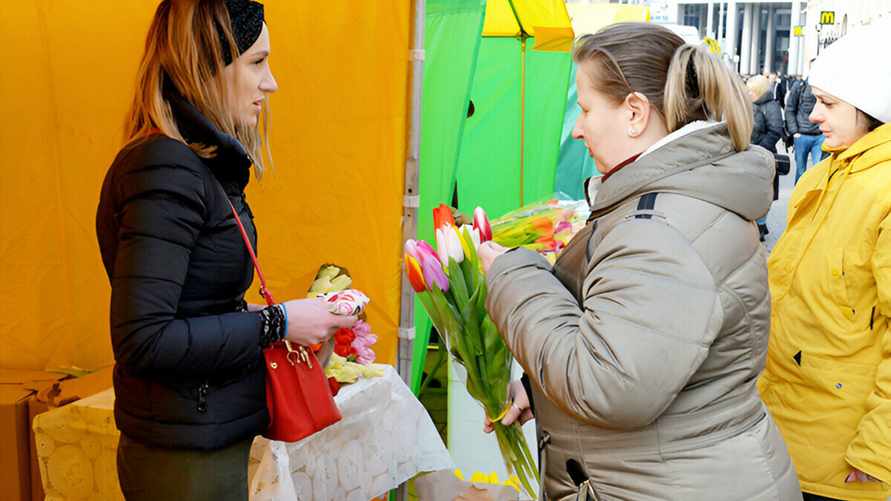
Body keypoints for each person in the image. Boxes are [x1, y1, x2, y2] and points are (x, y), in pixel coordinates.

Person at [477, 22, 801, 501]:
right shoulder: (672, 201)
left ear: (634, 113)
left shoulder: (660, 228)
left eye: (586, 109)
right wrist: (544, 391)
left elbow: (609, 385)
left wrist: (512, 274)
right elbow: (643, 346)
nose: (577, 127)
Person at [95, 2, 356, 500]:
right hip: (184, 455)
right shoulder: (165, 169)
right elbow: (144, 339)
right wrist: (276, 323)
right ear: (206, 65)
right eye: (257, 63)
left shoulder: (190, 164)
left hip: (200, 438)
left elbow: (194, 307)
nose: (271, 82)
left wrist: (279, 317)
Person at [759, 21, 891, 501]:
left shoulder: (884, 194)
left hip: (848, 459)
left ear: (875, 109)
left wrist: (879, 451)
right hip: (783, 431)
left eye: (830, 103)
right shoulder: (821, 179)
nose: (813, 115)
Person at [748, 74, 784, 240]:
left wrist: (759, 149)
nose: (748, 93)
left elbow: (775, 130)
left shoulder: (771, 106)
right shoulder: (750, 104)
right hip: (748, 154)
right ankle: (758, 224)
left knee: (764, 191)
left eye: (751, 91)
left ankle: (761, 225)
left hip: (764, 155)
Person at [785, 65, 824, 183]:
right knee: (801, 171)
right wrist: (794, 131)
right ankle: (800, 198)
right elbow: (790, 109)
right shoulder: (799, 86)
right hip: (802, 135)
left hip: (819, 135)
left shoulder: (824, 87)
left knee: (819, 169)